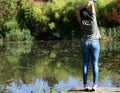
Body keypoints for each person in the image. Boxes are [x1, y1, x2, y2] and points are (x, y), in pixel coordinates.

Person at [76, 0, 101, 91]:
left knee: (85, 64)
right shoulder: (93, 20)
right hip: (95, 43)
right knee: (95, 64)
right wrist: (91, 3)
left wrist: (85, 5)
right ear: (87, 13)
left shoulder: (82, 22)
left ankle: (85, 85)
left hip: (85, 43)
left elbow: (77, 10)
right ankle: (94, 85)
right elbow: (92, 8)